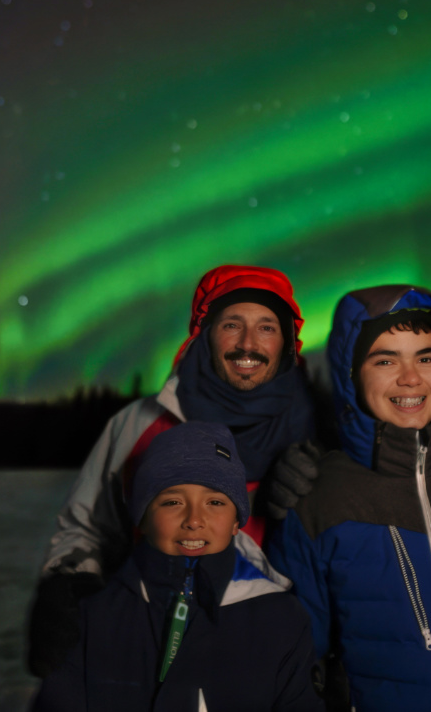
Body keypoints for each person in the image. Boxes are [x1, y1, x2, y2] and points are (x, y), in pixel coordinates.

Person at [27, 265, 318, 677]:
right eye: (232, 324)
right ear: (204, 334)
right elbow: (87, 526)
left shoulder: (322, 431)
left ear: (289, 342)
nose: (248, 343)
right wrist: (70, 585)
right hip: (150, 659)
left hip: (268, 667)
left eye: (267, 328)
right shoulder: (139, 423)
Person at [267, 285, 431, 712]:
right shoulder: (317, 498)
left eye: (425, 358)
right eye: (386, 360)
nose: (410, 378)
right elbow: (290, 663)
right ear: (351, 373)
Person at [33, 421, 323, 712]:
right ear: (143, 518)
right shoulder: (93, 615)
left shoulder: (280, 617)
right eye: (172, 502)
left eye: (215, 502)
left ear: (237, 521)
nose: (194, 520)